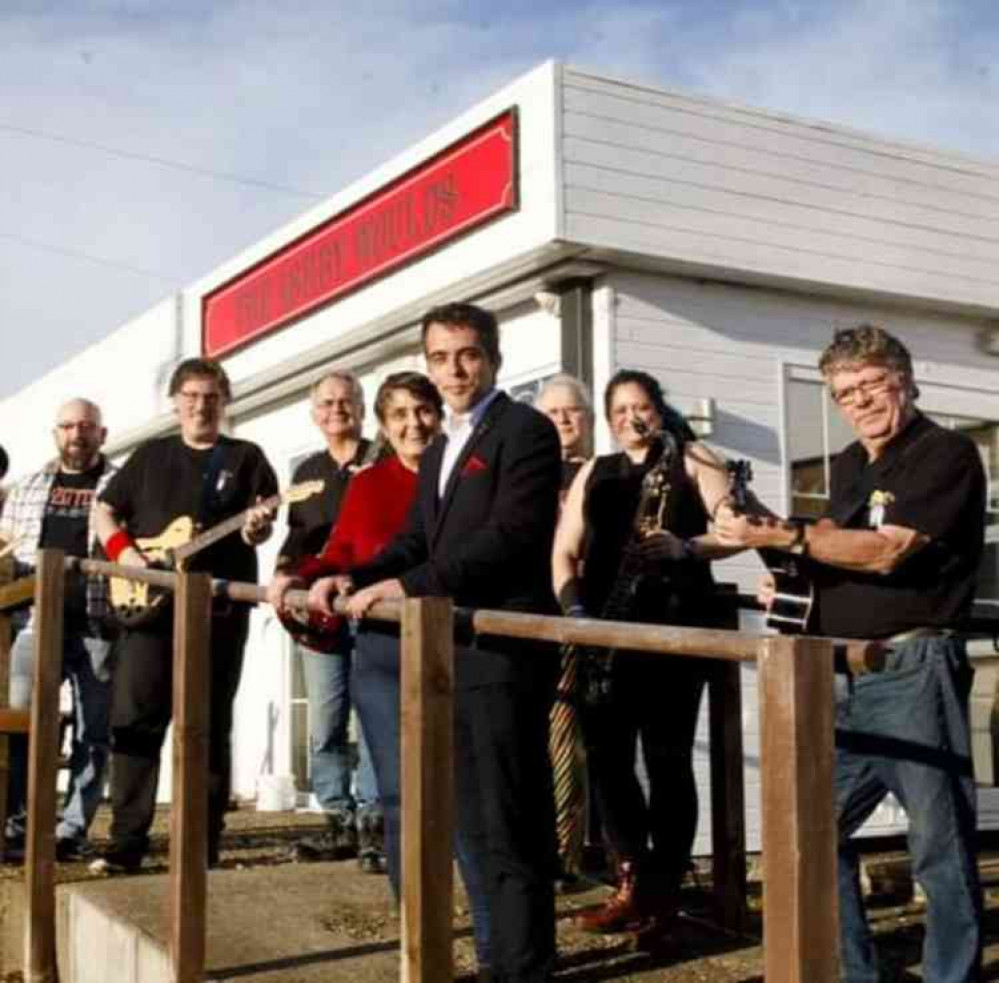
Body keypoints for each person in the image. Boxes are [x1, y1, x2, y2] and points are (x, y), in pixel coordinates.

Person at [715, 324, 985, 983]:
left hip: (910, 671)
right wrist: (791, 574)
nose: (859, 400)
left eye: (870, 383)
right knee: (805, 825)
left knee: (936, 846)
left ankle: (950, 974)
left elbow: (889, 548)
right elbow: (838, 548)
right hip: (841, 675)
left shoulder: (943, 454)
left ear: (904, 380)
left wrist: (789, 534)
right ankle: (851, 970)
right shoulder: (849, 464)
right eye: (844, 392)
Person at [326, 303, 562, 983]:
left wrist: (409, 586)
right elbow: (414, 537)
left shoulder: (525, 430)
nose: (454, 370)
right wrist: (351, 573)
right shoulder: (441, 445)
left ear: (491, 356)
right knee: (471, 819)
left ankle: (526, 969)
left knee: (513, 820)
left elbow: (510, 539)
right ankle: (499, 961)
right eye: (439, 357)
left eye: (466, 354)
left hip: (502, 650)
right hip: (450, 652)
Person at [551, 369, 735, 946]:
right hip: (606, 629)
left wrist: (686, 546)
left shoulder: (695, 458)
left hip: (677, 635)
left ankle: (666, 891)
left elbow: (737, 531)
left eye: (643, 406)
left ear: (659, 409)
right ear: (608, 421)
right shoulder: (594, 471)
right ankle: (631, 878)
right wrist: (575, 612)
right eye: (621, 409)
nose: (633, 417)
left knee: (667, 762)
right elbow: (564, 550)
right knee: (607, 761)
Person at [92, 358, 278, 873]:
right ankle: (126, 842)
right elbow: (103, 508)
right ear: (175, 402)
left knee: (209, 727)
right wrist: (125, 555)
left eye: (212, 397)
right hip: (148, 610)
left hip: (217, 615)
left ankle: (200, 846)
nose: (201, 405)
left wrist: (257, 529)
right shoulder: (150, 456)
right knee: (135, 722)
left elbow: (258, 530)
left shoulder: (247, 459)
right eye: (192, 395)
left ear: (225, 402)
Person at [272, 370, 381, 866]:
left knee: (376, 715)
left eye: (347, 400)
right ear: (314, 413)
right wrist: (280, 573)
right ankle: (337, 818)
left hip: (369, 602)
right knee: (326, 719)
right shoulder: (307, 472)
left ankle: (375, 822)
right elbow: (295, 538)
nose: (337, 409)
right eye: (327, 403)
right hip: (320, 615)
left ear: (361, 407)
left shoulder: (380, 457)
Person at [0, 399, 116, 861]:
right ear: (56, 433)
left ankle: (72, 829)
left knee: (95, 731)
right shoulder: (28, 487)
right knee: (24, 724)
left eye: (86, 426)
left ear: (101, 434)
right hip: (33, 621)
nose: (77, 434)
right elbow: (4, 548)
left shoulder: (120, 484)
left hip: (97, 622)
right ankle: (21, 822)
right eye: (68, 426)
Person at [536, 374, 594, 887]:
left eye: (572, 411)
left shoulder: (603, 474)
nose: (562, 421)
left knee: (576, 739)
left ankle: (569, 854)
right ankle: (549, 847)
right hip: (535, 615)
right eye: (552, 413)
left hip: (591, 614)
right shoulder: (530, 472)